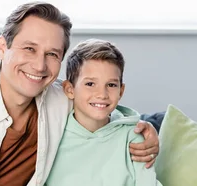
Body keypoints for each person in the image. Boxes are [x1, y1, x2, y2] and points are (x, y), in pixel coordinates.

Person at [0, 2, 159, 186]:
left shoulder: (59, 99)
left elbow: (99, 100)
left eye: (52, 54)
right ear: (2, 47)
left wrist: (145, 131)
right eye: (29, 49)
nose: (39, 65)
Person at [45, 39, 162, 186]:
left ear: (121, 91)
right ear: (70, 89)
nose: (102, 94)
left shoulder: (133, 137)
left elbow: (147, 182)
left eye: (111, 85)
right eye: (90, 84)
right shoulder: (52, 133)